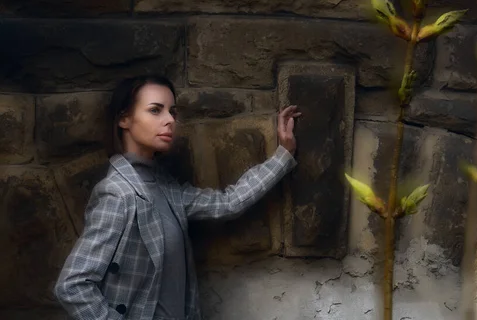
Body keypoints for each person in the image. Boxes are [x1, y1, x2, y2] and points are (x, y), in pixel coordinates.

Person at [54, 74, 300, 320]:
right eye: (155, 110)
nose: (169, 120)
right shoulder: (118, 193)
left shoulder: (166, 188)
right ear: (124, 119)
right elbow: (73, 285)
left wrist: (283, 154)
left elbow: (228, 203)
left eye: (172, 111)